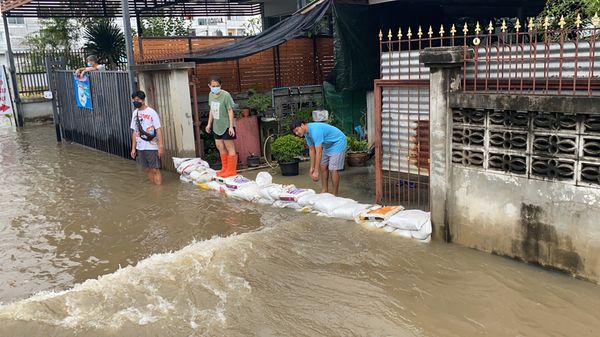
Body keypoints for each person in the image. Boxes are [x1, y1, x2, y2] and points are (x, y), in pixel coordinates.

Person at [291, 120, 347, 196]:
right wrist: (312, 168)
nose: (297, 133)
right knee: (323, 166)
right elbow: (311, 150)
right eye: (295, 132)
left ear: (302, 125)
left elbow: (319, 151)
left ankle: (334, 194)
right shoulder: (307, 134)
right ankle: (325, 190)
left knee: (333, 169)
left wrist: (316, 171)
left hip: (338, 142)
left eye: (297, 130)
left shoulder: (315, 130)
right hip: (327, 145)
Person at [204, 75, 237, 178]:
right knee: (220, 146)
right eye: (213, 86)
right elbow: (211, 110)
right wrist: (209, 124)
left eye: (217, 85)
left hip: (227, 125)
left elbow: (230, 110)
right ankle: (224, 169)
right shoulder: (210, 95)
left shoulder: (226, 95)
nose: (215, 87)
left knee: (229, 147)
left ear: (221, 85)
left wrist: (231, 126)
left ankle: (231, 171)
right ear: (209, 86)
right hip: (217, 126)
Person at [130, 90, 164, 185]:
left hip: (151, 146)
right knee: (147, 169)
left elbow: (158, 129)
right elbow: (134, 131)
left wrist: (160, 146)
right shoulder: (135, 113)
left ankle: (159, 190)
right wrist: (133, 148)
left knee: (155, 169)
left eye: (137, 100)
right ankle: (154, 188)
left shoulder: (151, 112)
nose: (135, 102)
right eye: (134, 100)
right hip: (140, 146)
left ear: (143, 100)